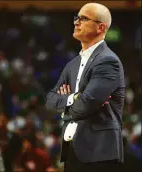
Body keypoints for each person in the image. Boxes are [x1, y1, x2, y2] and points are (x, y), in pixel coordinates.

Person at [45, 2, 125, 172]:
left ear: (101, 27)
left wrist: (66, 106)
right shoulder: (72, 64)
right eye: (76, 18)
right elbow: (50, 100)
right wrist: (74, 98)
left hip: (100, 151)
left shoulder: (108, 61)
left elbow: (86, 104)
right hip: (73, 149)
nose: (76, 22)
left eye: (84, 18)